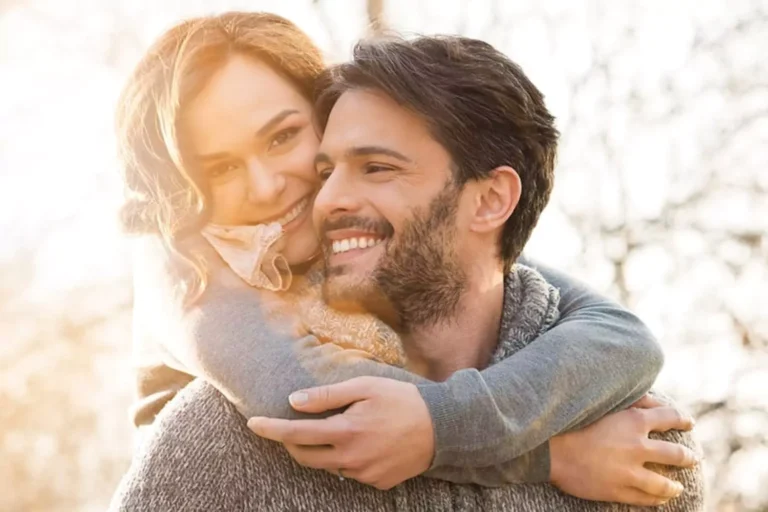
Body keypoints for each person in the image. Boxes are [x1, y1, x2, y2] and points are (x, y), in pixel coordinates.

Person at [112, 12, 702, 509]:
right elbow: (315, 407)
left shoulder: (367, 232)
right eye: (219, 167)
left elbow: (618, 334)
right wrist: (551, 457)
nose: (267, 185)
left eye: (283, 137)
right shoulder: (185, 266)